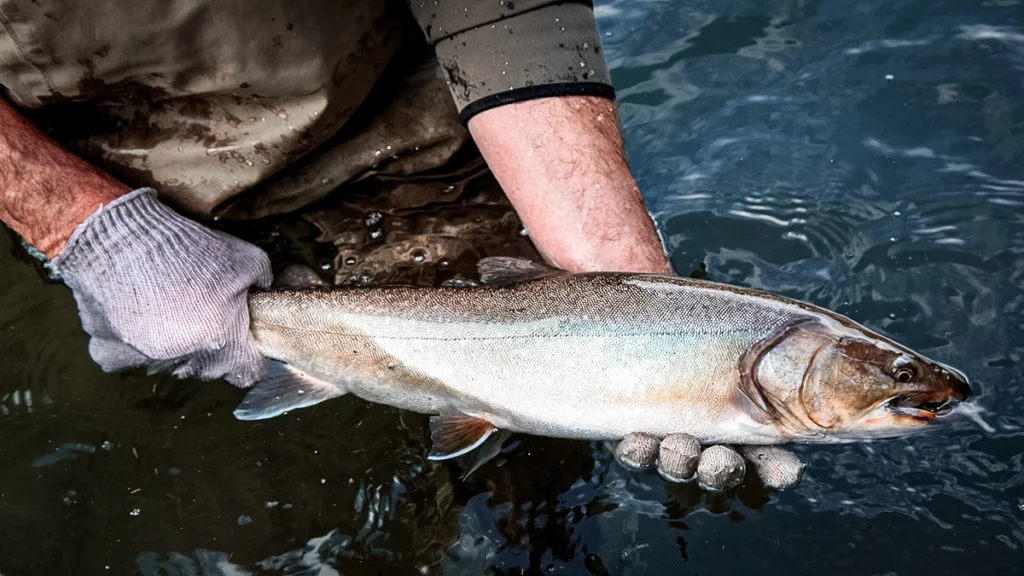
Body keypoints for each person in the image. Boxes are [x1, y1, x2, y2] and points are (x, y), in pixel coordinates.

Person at [0, 0, 800, 489]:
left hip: (404, 125)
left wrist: (618, 275)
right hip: (86, 164)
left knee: (535, 483)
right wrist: (84, 228)